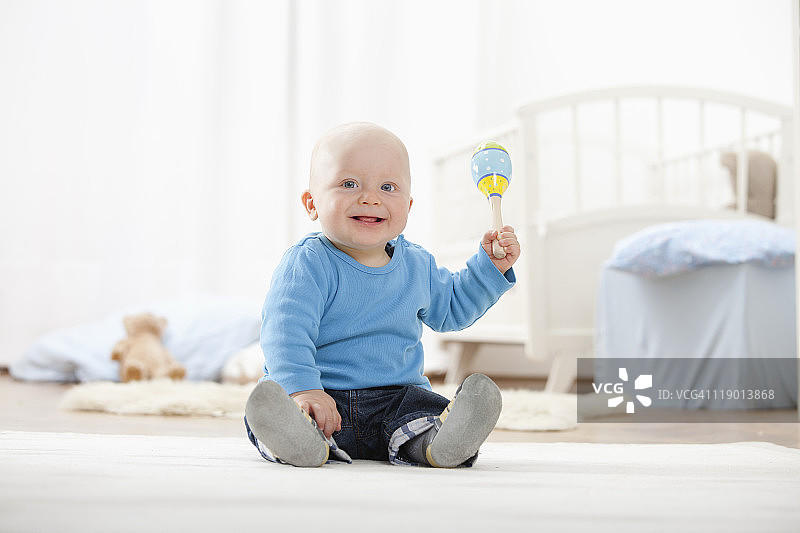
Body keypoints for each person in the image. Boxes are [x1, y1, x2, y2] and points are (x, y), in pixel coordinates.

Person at [245, 122, 520, 468]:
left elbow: (453, 307)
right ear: (311, 203)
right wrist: (302, 389)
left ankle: (436, 444)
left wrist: (489, 269)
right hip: (323, 395)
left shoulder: (417, 264)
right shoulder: (309, 263)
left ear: (408, 204)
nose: (370, 197)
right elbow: (285, 333)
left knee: (422, 411)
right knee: (288, 412)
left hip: (396, 399)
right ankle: (301, 441)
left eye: (387, 187)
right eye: (349, 184)